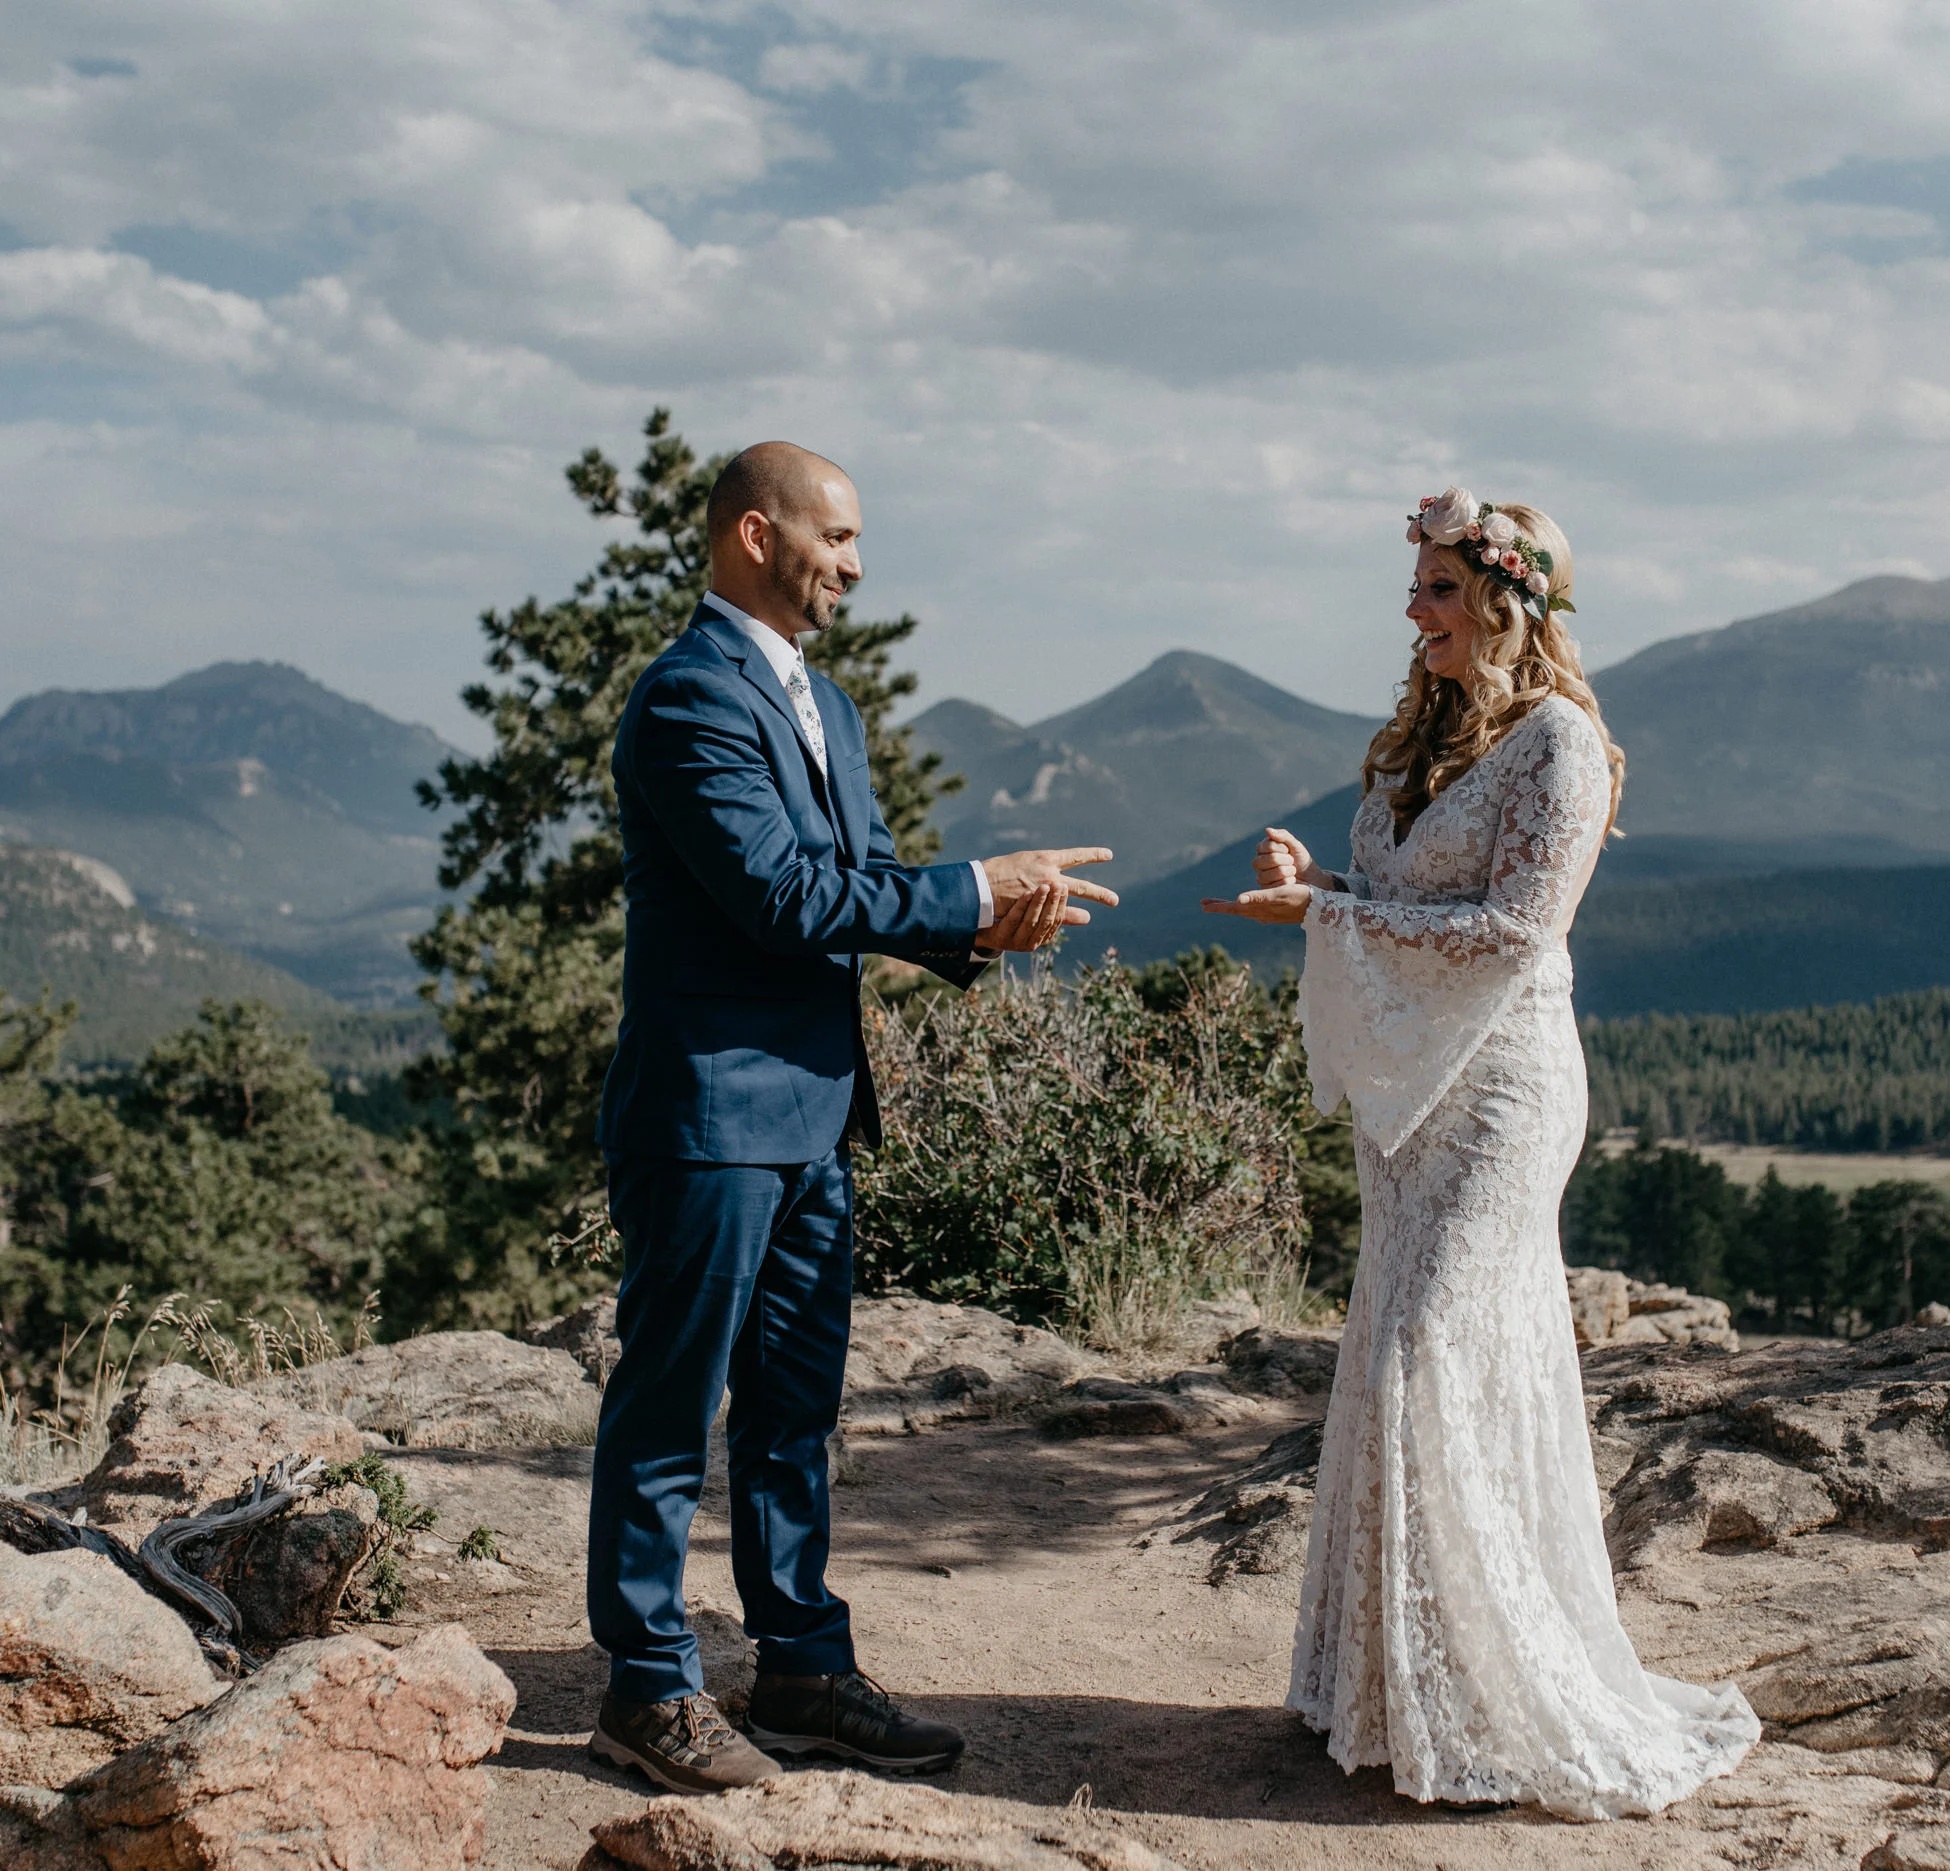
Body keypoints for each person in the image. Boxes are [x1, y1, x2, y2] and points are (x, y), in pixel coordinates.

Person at [1203, 488, 1758, 1816]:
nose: (1414, 609)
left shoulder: (1561, 744)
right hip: (1415, 1102)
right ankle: (1390, 1691)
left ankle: (1500, 1692)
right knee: (1392, 1356)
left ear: (1510, 599)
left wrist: (1328, 918)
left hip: (1501, 1096)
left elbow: (1513, 934)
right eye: (1417, 586)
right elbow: (1402, 904)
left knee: (1431, 1355)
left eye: (1440, 586)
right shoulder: (1424, 737)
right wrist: (1325, 894)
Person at [588, 440, 1116, 1794]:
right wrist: (967, 887)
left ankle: (803, 1669)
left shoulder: (825, 702)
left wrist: (991, 920)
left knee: (792, 1414)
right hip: (708, 1118)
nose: (859, 563)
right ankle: (647, 1690)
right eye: (840, 535)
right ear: (756, 535)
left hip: (817, 1116)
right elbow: (776, 893)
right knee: (667, 1412)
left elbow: (863, 877)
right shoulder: (687, 702)